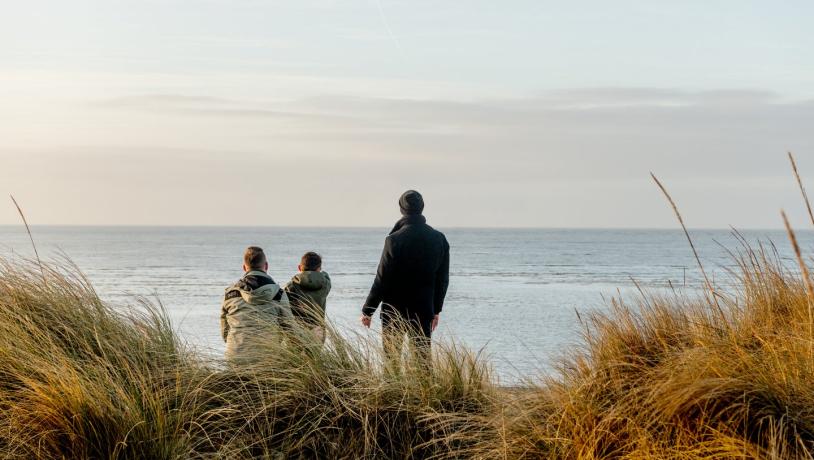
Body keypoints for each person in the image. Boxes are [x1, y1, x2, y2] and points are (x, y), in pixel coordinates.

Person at [360, 190, 450, 367]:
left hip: (394, 309)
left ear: (402, 209)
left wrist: (368, 310)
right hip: (424, 307)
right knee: (423, 361)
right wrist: (436, 309)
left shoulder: (394, 240)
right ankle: (425, 395)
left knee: (391, 363)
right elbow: (442, 279)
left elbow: (382, 278)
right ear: (422, 208)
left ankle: (393, 395)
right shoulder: (439, 239)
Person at [221, 246, 293, 363]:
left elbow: (224, 330)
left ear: (244, 267)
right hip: (268, 357)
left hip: (235, 356)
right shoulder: (278, 294)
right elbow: (290, 329)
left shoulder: (230, 293)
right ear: (266, 266)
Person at [284, 251, 332, 344]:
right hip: (318, 329)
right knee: (314, 358)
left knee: (294, 357)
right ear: (319, 268)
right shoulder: (325, 284)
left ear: (299, 267)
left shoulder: (291, 286)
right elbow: (325, 275)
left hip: (296, 329)